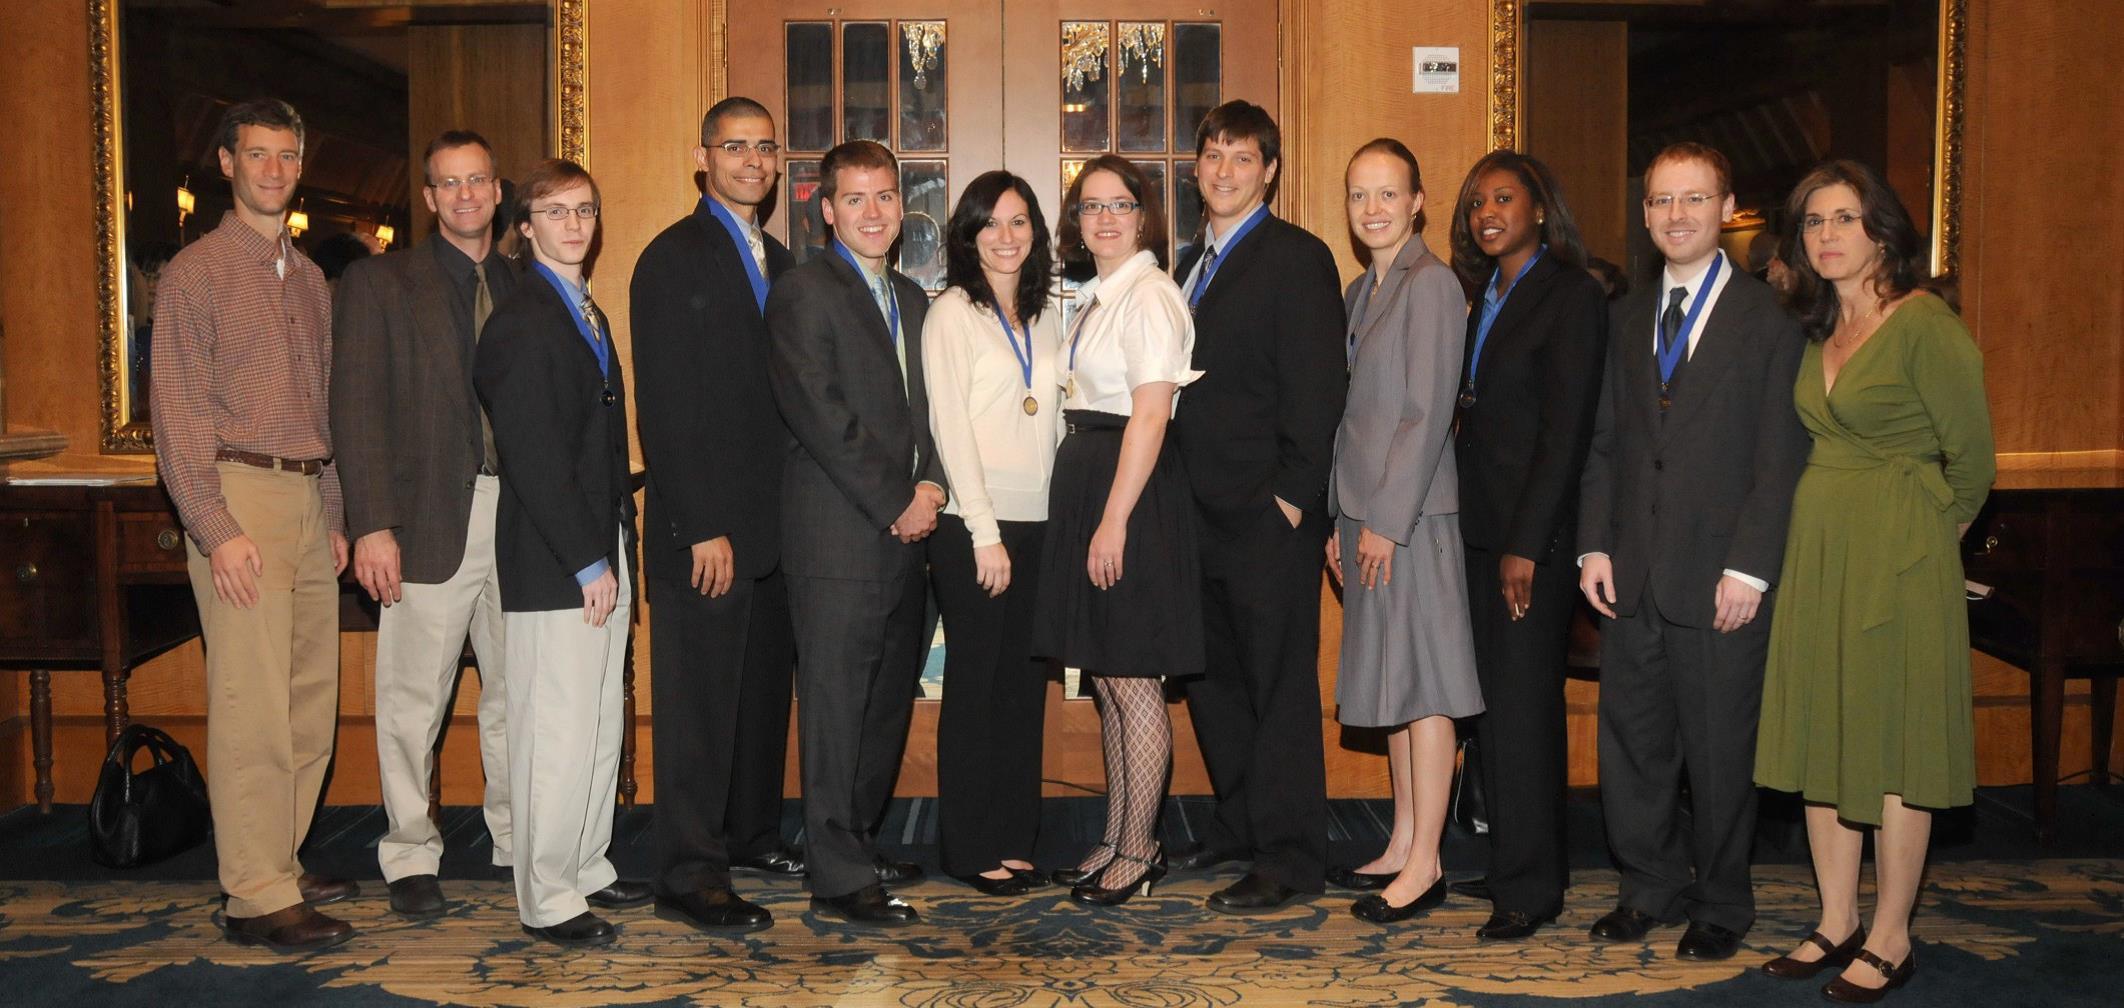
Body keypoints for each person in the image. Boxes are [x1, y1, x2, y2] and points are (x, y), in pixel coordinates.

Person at [1754, 159, 1994, 1003]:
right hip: (1820, 552)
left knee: (1894, 747)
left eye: (1843, 218)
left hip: (1898, 559)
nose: (1826, 235)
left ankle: (1891, 934)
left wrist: (1922, 539)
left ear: (1882, 232)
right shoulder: (1817, 329)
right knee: (1824, 735)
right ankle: (1836, 920)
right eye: (1813, 221)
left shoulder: (1924, 323)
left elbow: (1973, 463)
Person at [1575, 142, 1811, 960]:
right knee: (1634, 747)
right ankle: (1648, 887)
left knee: (1719, 754)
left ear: (1726, 208)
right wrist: (1593, 546)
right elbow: (1605, 443)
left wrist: (1751, 568)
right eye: (1662, 200)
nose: (1676, 215)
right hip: (1632, 572)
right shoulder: (1624, 317)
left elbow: (1781, 459)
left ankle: (1721, 901)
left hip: (1721, 580)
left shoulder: (1771, 322)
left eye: (1694, 199)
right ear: (1645, 213)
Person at [150, 97, 355, 954]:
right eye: (258, 155)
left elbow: (324, 406)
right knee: (251, 705)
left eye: (287, 156)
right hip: (239, 498)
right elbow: (177, 411)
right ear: (227, 163)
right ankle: (254, 895)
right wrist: (213, 523)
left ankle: (279, 859)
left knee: (309, 701)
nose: (274, 170)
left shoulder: (310, 280)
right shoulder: (195, 273)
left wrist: (334, 512)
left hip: (306, 498)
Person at [332, 129, 521, 920]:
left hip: (520, 520)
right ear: (430, 197)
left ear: (498, 191)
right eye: (449, 183)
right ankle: (410, 851)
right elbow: (356, 408)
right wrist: (372, 525)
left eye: (477, 180)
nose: (465, 195)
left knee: (517, 694)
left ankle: (516, 839)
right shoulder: (380, 282)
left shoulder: (525, 281)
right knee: (413, 701)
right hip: (425, 522)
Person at [1168, 99, 1348, 914]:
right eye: (1214, 154)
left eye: (1243, 157)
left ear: (1269, 171)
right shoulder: (1187, 265)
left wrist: (1291, 501)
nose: (1225, 170)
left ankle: (1289, 857)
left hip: (1265, 520)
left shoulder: (1297, 258)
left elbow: (1319, 390)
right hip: (1193, 517)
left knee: (1277, 689)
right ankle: (1241, 825)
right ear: (1196, 167)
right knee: (1215, 684)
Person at [630, 96, 802, 934]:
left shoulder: (781, 259)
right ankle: (690, 873)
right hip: (705, 533)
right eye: (735, 147)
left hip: (773, 530)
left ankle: (750, 837)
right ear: (703, 158)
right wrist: (699, 523)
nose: (752, 161)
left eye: (764, 147)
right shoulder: (672, 257)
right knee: (698, 711)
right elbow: (663, 405)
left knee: (760, 700)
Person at [474, 158, 650, 948]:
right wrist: (586, 560)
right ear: (524, 227)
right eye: (555, 211)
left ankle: (584, 865)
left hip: (600, 544)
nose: (574, 224)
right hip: (557, 560)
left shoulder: (583, 309)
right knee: (554, 730)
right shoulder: (521, 320)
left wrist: (611, 549)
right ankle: (546, 896)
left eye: (584, 210)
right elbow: (534, 455)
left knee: (596, 725)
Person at [767, 139, 943, 928]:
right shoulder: (804, 292)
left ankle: (858, 844)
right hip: (839, 536)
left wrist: (932, 484)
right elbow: (820, 413)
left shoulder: (911, 297)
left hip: (909, 531)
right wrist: (896, 499)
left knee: (883, 705)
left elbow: (930, 409)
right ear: (827, 210)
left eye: (885, 196)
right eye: (856, 198)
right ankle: (837, 875)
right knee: (837, 707)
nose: (874, 212)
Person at [1446, 149, 1608, 941]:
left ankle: (1533, 888)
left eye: (1504, 199)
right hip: (1476, 532)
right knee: (1491, 712)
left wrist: (1527, 544)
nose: (1488, 213)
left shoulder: (1571, 294)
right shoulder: (1485, 294)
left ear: (1540, 208)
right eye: (1478, 202)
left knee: (1522, 711)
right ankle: (1514, 862)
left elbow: (1565, 434)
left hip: (1528, 544)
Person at [1034, 156, 1204, 906]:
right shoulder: (1099, 297)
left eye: (1120, 205)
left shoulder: (1151, 295)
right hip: (1097, 482)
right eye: (1091, 206)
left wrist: (1113, 519)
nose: (1105, 218)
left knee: (1134, 679)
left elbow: (1152, 413)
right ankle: (1115, 836)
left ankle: (1141, 849)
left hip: (1129, 494)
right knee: (1106, 675)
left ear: (1144, 217)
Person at [1323, 139, 1484, 925]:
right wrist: (1339, 518)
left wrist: (1384, 523)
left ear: (1418, 202)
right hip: (1364, 515)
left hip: (1413, 519)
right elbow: (1349, 416)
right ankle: (1401, 841)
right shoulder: (1361, 290)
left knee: (1426, 688)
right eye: (1359, 195)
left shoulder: (1433, 285)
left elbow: (1426, 415)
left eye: (1388, 193)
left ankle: (1427, 863)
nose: (1373, 209)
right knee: (1391, 681)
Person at [922, 171, 1064, 896]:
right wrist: (983, 530)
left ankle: (1015, 836)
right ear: (968, 235)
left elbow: (1055, 417)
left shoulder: (1047, 314)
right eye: (990, 223)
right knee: (976, 687)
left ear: (1035, 230)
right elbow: (950, 429)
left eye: (1019, 221)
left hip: (1039, 522)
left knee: (1023, 690)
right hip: (973, 527)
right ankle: (969, 845)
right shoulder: (952, 313)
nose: (1006, 237)